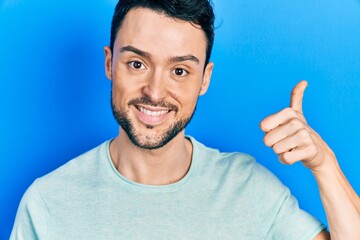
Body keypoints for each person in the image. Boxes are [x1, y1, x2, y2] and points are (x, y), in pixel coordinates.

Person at [10, 0, 360, 239]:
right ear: (109, 63)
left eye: (179, 70)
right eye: (136, 64)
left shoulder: (248, 188)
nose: (155, 91)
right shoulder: (48, 203)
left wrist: (323, 164)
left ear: (204, 79)